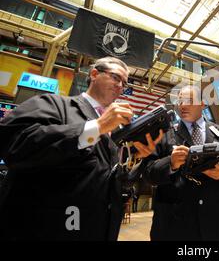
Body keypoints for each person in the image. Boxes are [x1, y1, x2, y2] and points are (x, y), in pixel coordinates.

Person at [0, 57, 163, 240]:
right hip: (46, 229)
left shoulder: (118, 132)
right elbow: (15, 145)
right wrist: (97, 127)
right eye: (116, 77)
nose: (120, 85)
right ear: (94, 74)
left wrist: (136, 159)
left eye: (124, 83)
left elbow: (114, 181)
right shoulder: (53, 104)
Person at [140, 85, 219, 241]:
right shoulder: (163, 134)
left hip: (215, 222)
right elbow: (148, 173)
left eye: (189, 101)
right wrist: (169, 163)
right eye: (180, 101)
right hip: (174, 224)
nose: (182, 105)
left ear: (203, 104)